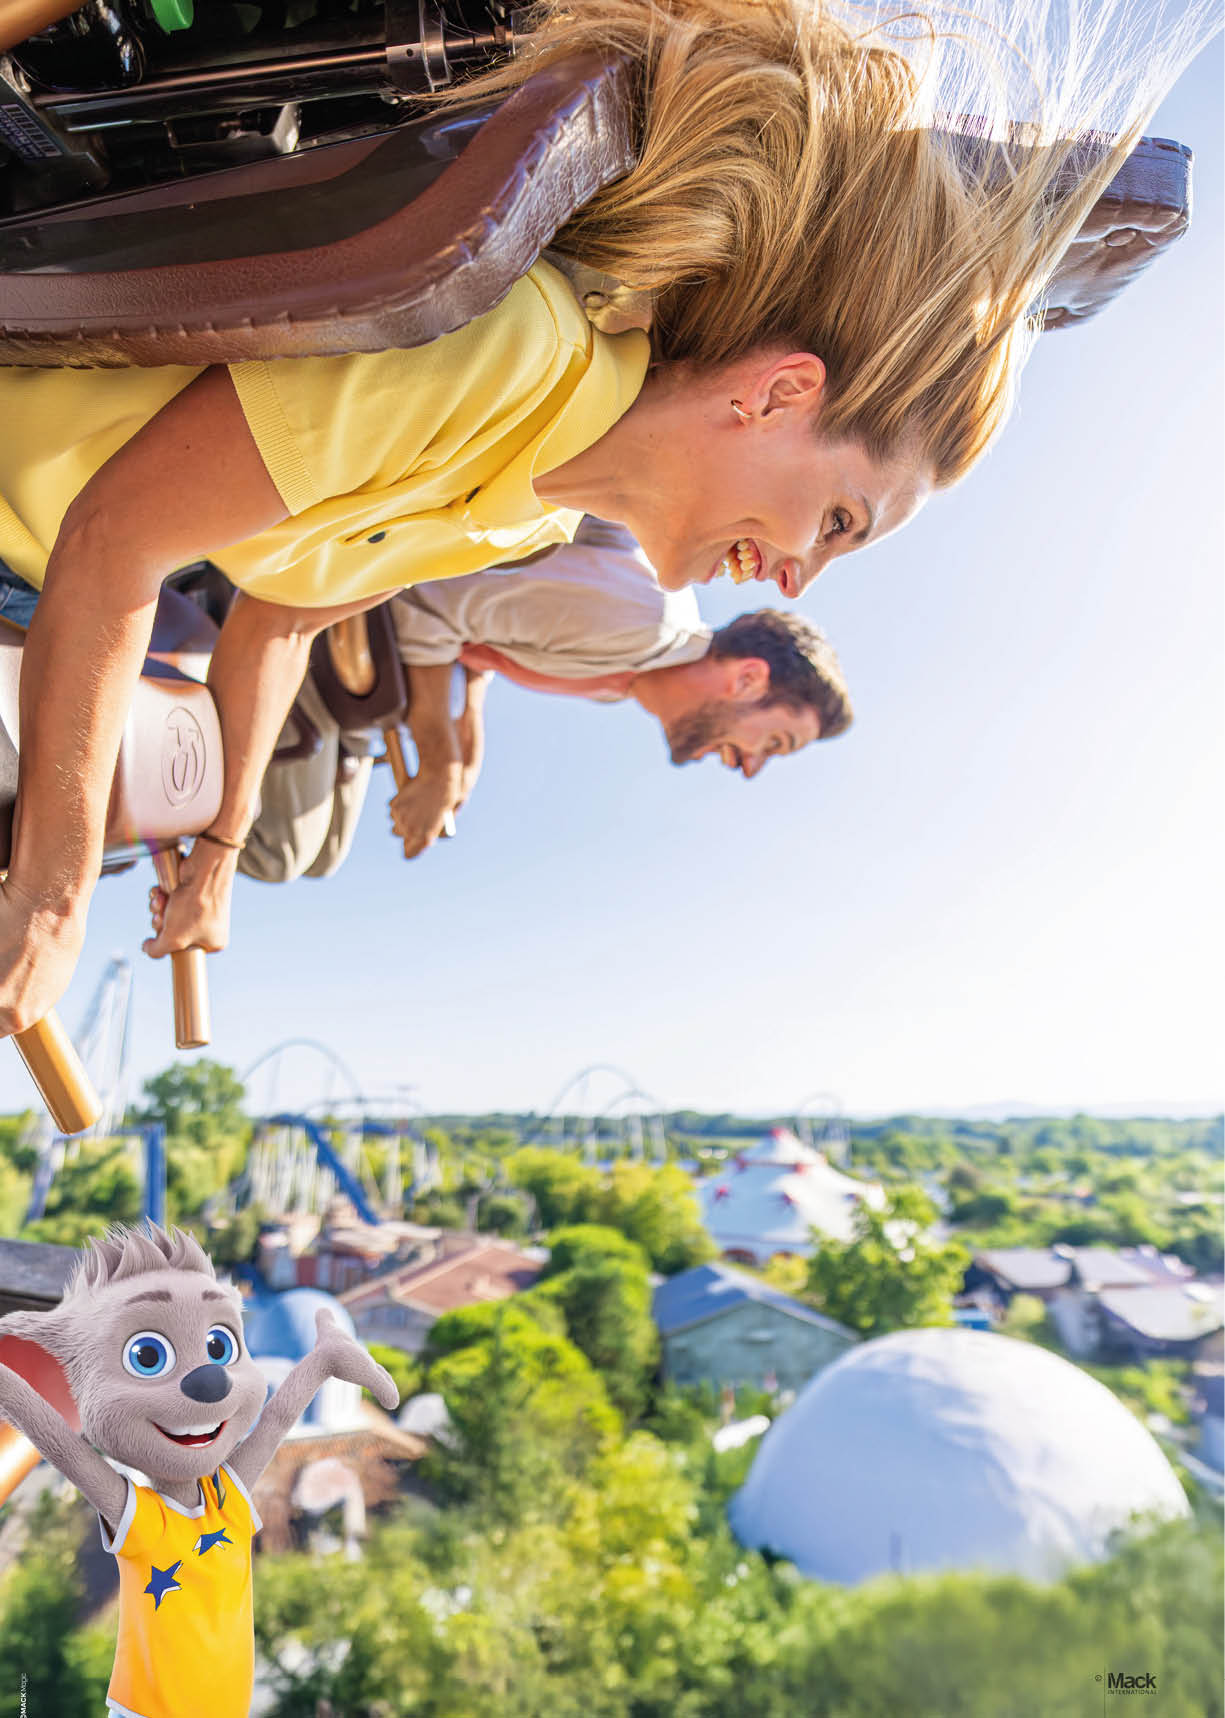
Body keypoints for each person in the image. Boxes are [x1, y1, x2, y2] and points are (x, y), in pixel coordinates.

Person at [0, 0, 1210, 1035]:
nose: (797, 577)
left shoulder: (527, 519)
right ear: (778, 394)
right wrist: (55, 900)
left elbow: (280, 619)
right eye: (840, 519)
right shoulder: (520, 357)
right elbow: (118, 541)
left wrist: (219, 855)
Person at [234, 518, 854, 889]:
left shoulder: (621, 681)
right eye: (773, 743)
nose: (749, 767)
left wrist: (467, 744)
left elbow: (484, 637)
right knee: (280, 854)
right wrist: (439, 755)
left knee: (322, 860)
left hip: (381, 672)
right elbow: (430, 597)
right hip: (345, 608)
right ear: (748, 680)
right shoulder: (641, 622)